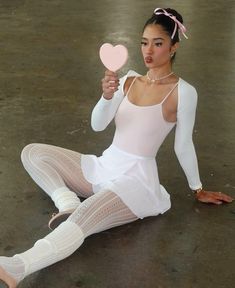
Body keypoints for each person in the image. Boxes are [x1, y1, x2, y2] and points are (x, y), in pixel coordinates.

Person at [0, 7, 233, 288]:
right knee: (33, 153)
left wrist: (197, 189)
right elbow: (98, 125)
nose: (149, 50)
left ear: (173, 48)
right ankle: (68, 202)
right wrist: (107, 96)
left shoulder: (183, 92)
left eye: (158, 43)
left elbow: (183, 145)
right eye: (144, 42)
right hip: (104, 165)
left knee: (84, 221)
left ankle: (17, 266)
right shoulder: (128, 79)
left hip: (135, 181)